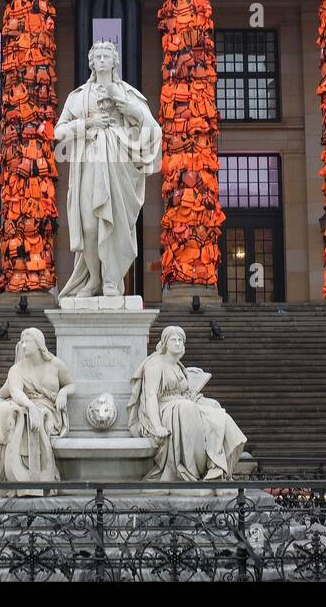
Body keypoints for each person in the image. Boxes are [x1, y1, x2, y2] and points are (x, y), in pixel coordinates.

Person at [54, 41, 160, 297]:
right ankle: (93, 280)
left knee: (116, 226)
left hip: (118, 165)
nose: (102, 59)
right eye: (97, 56)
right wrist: (86, 123)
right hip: (89, 163)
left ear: (114, 61)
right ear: (91, 62)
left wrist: (133, 110)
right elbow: (58, 132)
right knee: (90, 226)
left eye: (106, 55)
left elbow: (154, 130)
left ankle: (112, 281)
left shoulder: (129, 93)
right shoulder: (77, 96)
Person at [128, 325, 246, 482]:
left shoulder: (178, 365)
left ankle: (216, 467)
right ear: (165, 342)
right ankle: (193, 470)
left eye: (180, 340)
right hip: (163, 408)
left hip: (182, 401)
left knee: (214, 406)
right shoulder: (154, 364)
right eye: (173, 339)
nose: (177, 343)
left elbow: (182, 389)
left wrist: (191, 374)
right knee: (187, 408)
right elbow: (150, 396)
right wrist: (157, 426)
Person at [0, 328, 74, 486]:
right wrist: (30, 406)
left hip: (48, 410)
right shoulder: (17, 369)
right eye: (22, 342)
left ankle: (0, 475)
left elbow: (71, 384)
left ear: (38, 343)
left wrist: (63, 392)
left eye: (27, 342)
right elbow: (15, 391)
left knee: (2, 410)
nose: (23, 346)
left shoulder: (55, 364)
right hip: (24, 404)